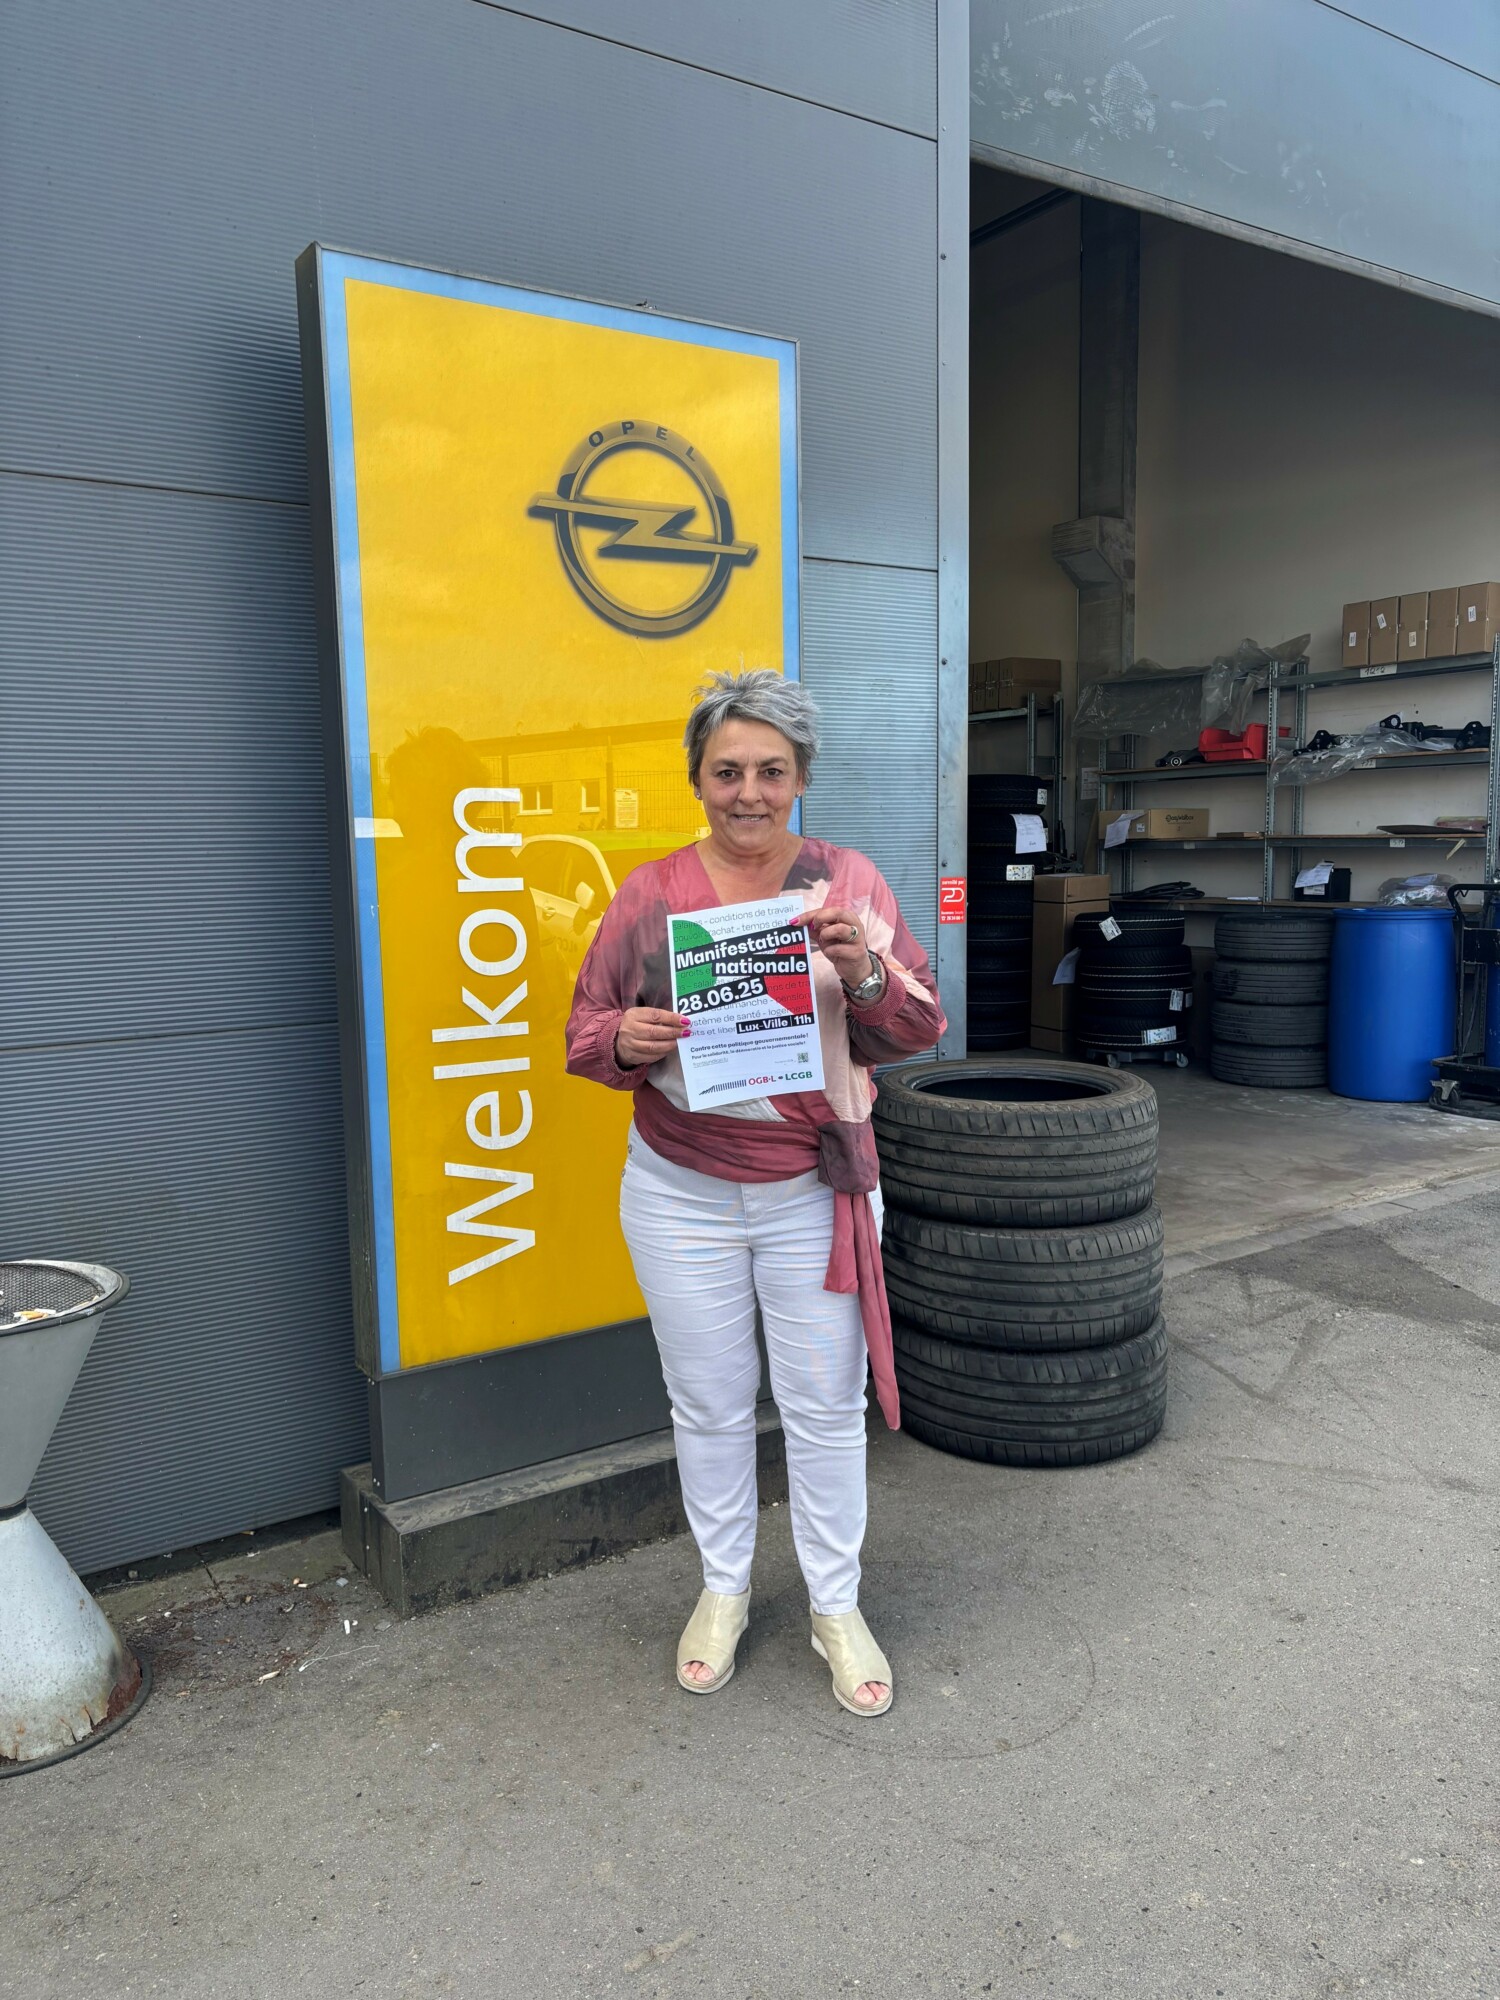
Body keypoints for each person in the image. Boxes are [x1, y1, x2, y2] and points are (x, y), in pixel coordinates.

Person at [565, 670, 945, 1716]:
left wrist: (864, 971)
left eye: (771, 771)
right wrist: (625, 1038)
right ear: (697, 778)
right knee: (708, 1403)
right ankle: (724, 1588)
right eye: (727, 770)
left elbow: (919, 1024)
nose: (749, 792)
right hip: (679, 1191)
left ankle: (836, 1605)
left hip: (812, 1191)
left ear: (801, 778)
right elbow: (584, 1031)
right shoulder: (650, 896)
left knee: (824, 1408)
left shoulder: (843, 882)